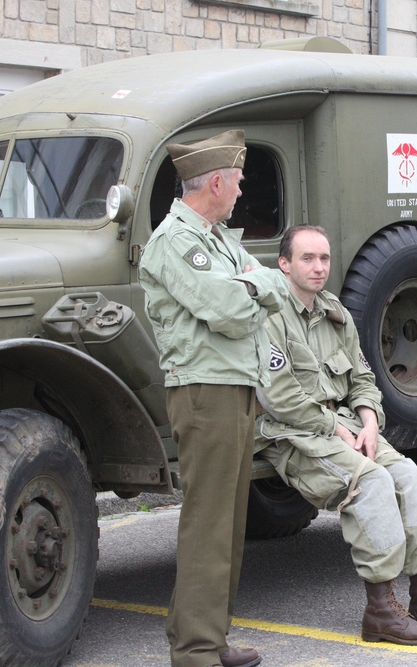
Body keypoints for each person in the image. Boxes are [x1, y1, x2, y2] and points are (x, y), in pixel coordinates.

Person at [254, 224, 417, 645]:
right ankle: (381, 609)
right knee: (370, 484)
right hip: (294, 434)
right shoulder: (269, 316)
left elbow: (364, 377)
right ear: (284, 264)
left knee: (406, 475)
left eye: (324, 259)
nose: (318, 268)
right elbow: (277, 396)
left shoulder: (334, 313)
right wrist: (334, 425)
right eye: (307, 259)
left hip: (348, 426)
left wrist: (369, 419)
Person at [140, 129, 291, 667]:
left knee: (227, 522)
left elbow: (266, 282)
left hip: (232, 387)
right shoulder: (177, 240)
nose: (242, 188)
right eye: (239, 179)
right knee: (208, 521)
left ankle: (207, 636)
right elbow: (231, 309)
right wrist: (255, 288)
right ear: (218, 182)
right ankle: (197, 649)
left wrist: (253, 287)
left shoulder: (217, 236)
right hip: (205, 391)